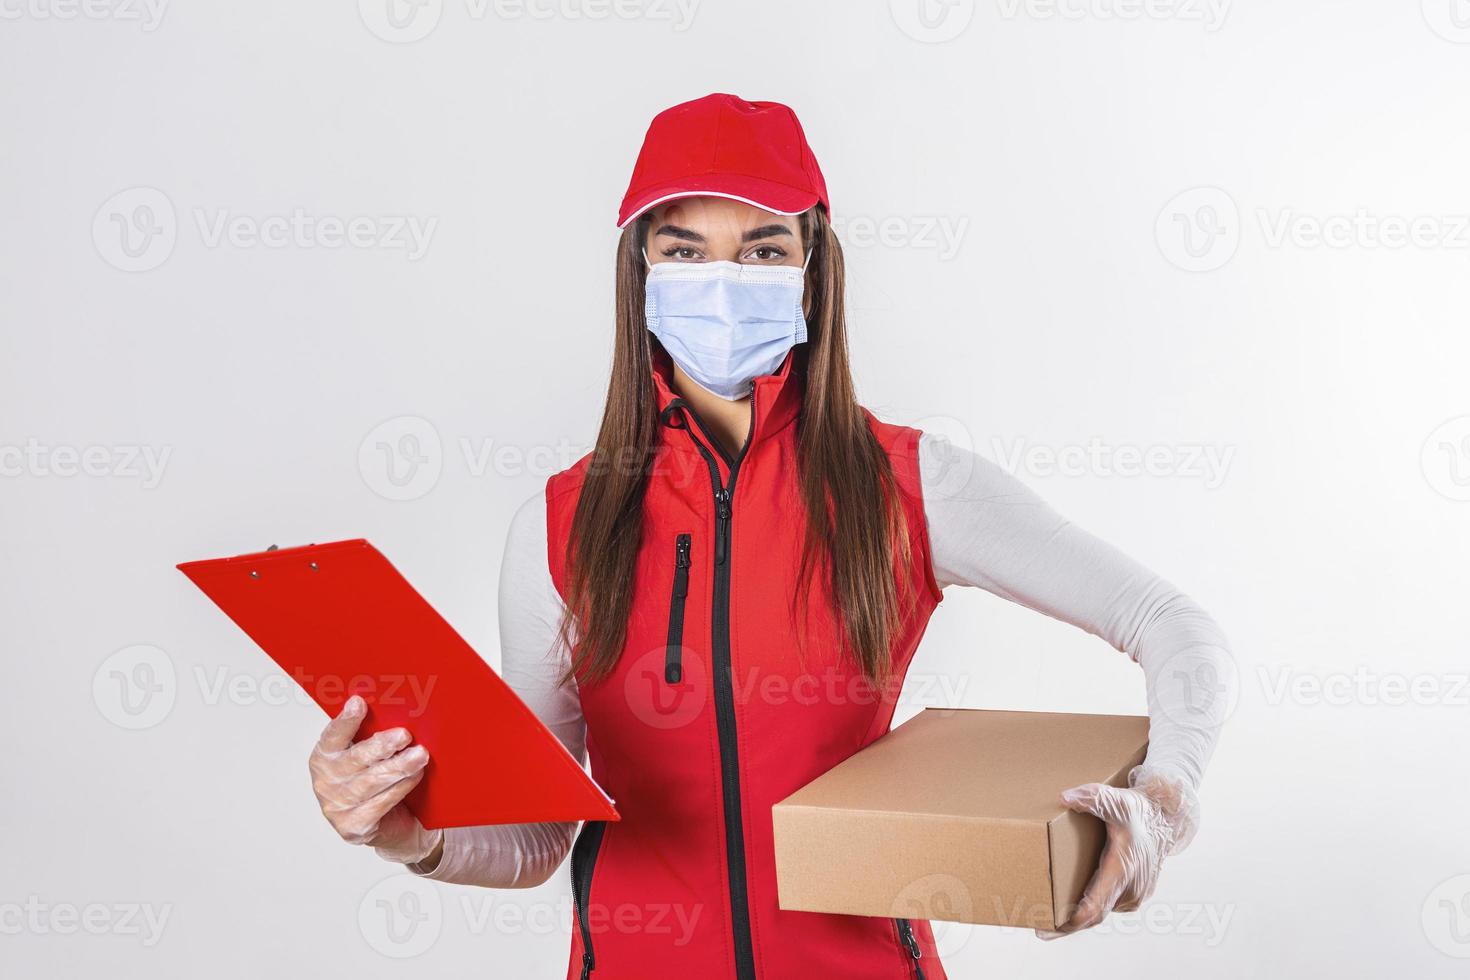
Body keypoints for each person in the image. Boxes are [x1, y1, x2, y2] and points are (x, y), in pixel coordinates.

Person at [307, 93, 1232, 980]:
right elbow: (540, 833)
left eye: (760, 249)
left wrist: (1163, 799)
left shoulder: (908, 485)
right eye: (685, 249)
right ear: (641, 272)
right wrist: (415, 835)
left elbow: (1173, 623)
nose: (721, 280)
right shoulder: (561, 523)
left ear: (810, 268)